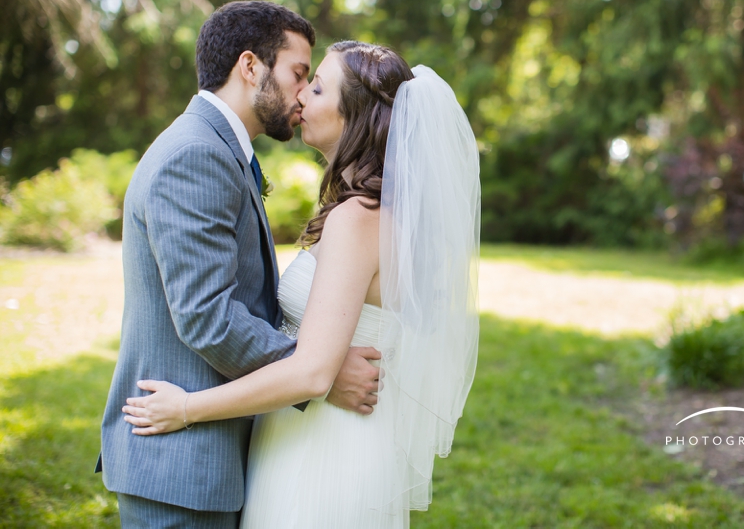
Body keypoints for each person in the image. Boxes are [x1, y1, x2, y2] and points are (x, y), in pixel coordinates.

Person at [121, 41, 481, 528]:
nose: (300, 99)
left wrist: (185, 408)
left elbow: (312, 374)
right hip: (308, 437)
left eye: (316, 87)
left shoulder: (358, 218)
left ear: (357, 113)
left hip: (321, 454)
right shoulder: (373, 213)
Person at [99, 3, 382, 528]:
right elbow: (208, 317)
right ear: (250, 67)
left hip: (211, 455)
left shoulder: (219, 150)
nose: (303, 94)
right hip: (181, 465)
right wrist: (317, 371)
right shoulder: (196, 155)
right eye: (299, 74)